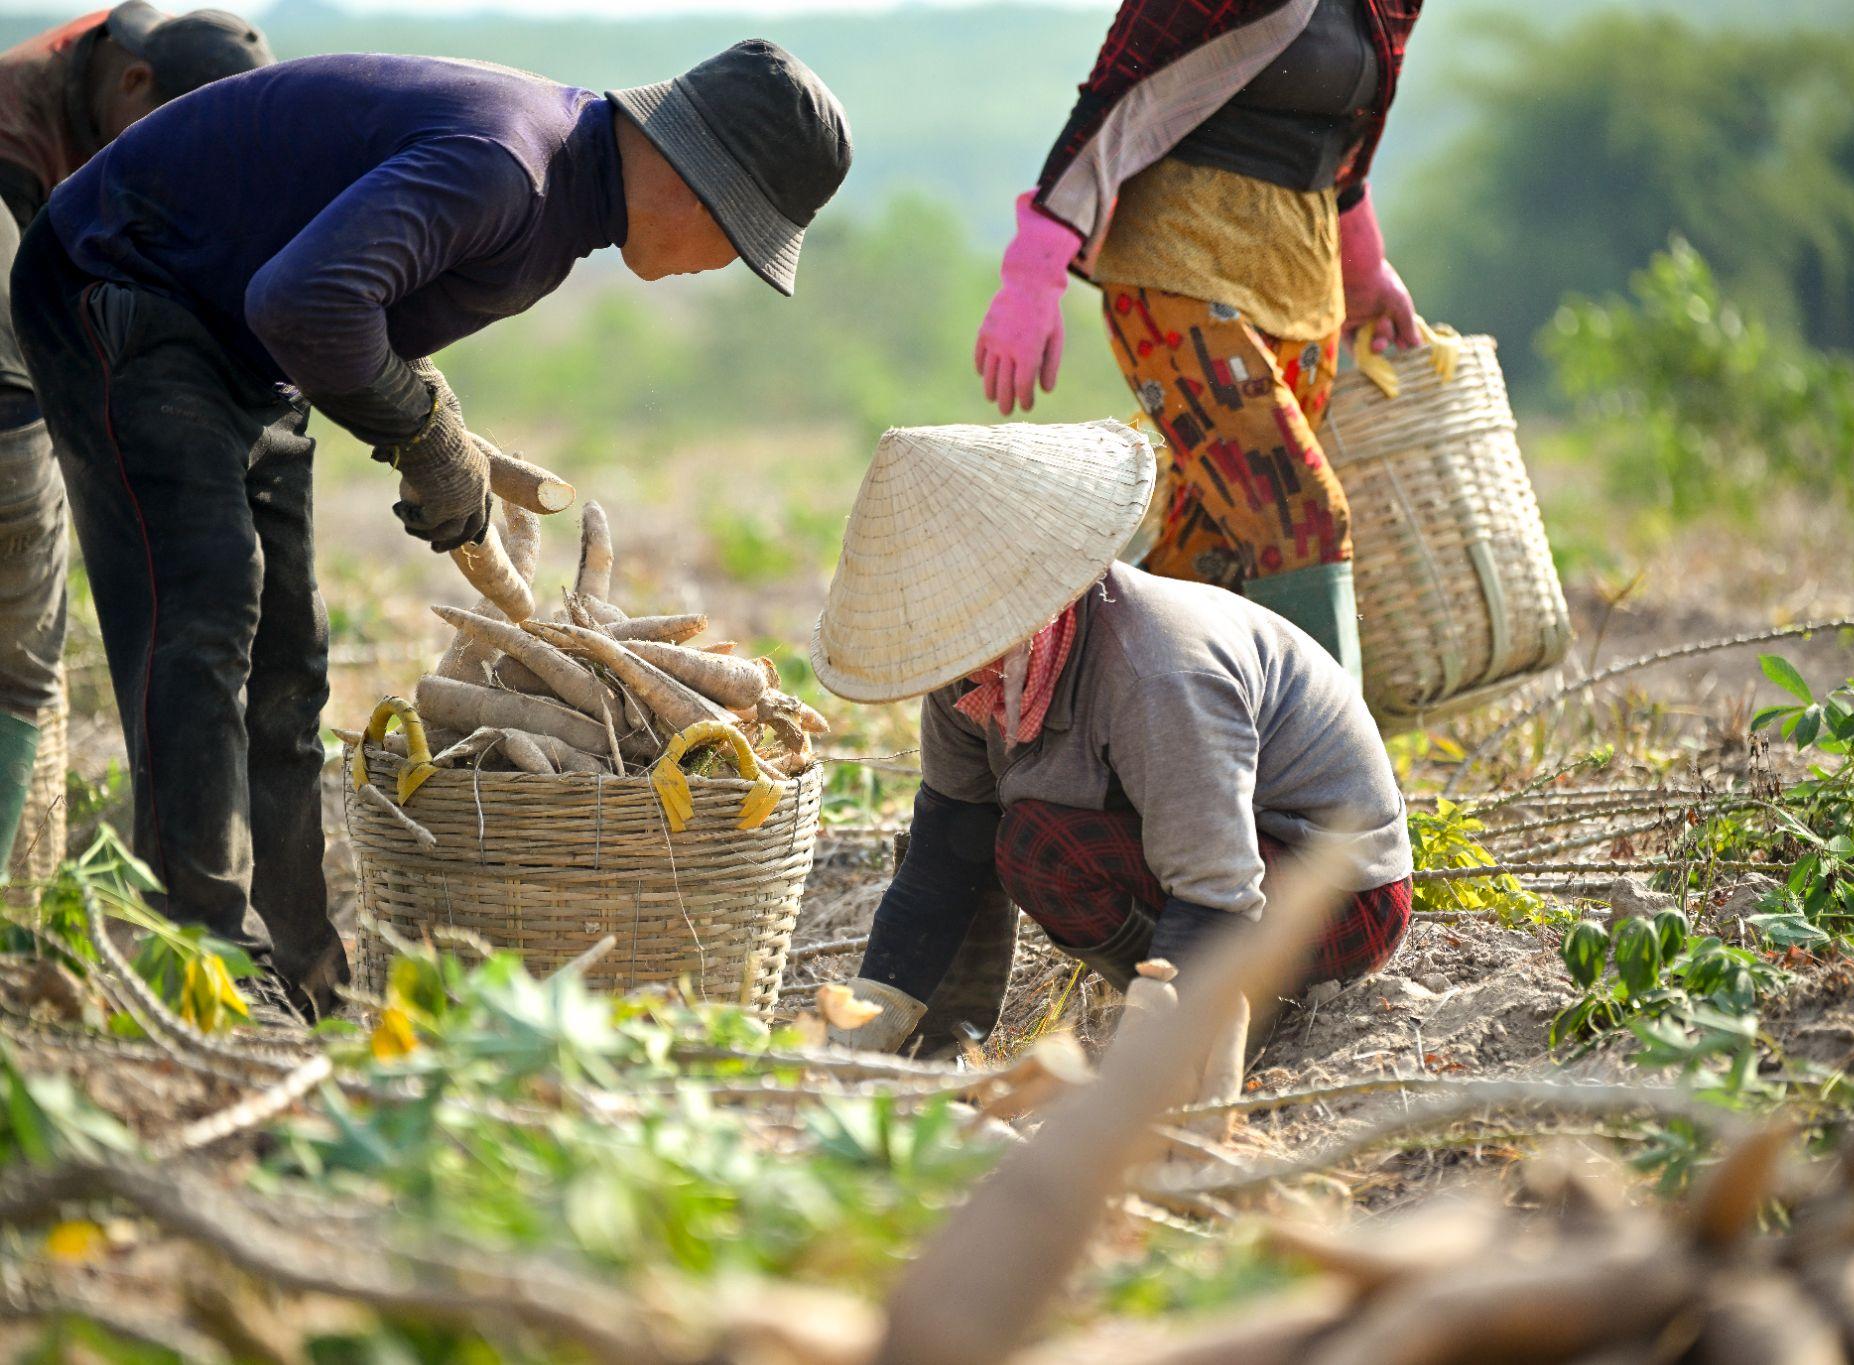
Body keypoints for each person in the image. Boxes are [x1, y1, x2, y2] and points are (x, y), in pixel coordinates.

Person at [11, 42, 852, 1014]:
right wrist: (417, 429)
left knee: (290, 663)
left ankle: (301, 974)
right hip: (123, 294)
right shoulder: (509, 166)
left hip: (238, 347)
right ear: (697, 187)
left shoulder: (560, 193)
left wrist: (432, 415)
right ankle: (199, 961)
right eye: (738, 242)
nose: (717, 267)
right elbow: (304, 300)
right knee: (203, 616)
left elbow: (340, 303)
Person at [810, 421, 1412, 1088]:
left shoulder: (1156, 671)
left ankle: (1223, 1013)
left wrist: (1151, 1048)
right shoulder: (975, 679)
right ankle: (967, 1038)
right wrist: (875, 1012)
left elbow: (1216, 886)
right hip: (1217, 862)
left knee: (1044, 844)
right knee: (1011, 837)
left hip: (1336, 893)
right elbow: (945, 854)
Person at [971, 0, 1425, 685]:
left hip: (1302, 277)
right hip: (1177, 262)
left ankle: (1079, 741)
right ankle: (1334, 778)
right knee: (1304, 521)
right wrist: (1032, 273)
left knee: (1208, 557)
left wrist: (1365, 267)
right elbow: (1115, 95)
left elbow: (1345, 149)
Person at [0, 1, 273, 873]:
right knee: (19, 669)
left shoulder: (89, 84)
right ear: (133, 80)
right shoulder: (15, 135)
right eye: (174, 131)